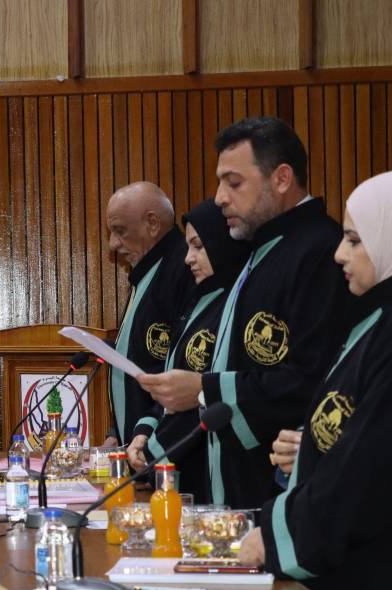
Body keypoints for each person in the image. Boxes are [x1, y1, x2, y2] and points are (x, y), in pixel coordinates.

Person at [240, 170, 392, 590]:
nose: (339, 254)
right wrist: (315, 449)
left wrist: (276, 539)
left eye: (355, 240)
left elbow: (374, 465)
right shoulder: (382, 317)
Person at [138, 117, 351, 509]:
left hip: (284, 489)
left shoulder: (321, 250)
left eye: (233, 183)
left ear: (282, 178)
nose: (219, 197)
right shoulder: (265, 249)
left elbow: (314, 379)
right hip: (240, 483)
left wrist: (203, 389)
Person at [127, 199, 250, 502]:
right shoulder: (200, 301)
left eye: (198, 246)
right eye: (188, 247)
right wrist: (144, 431)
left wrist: (153, 449)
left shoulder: (237, 305)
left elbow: (205, 395)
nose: (188, 258)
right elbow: (174, 389)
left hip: (214, 473)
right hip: (179, 465)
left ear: (222, 243)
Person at [103, 182, 195, 449]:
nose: (113, 244)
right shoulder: (148, 269)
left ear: (152, 223)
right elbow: (141, 357)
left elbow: (184, 368)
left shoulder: (183, 268)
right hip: (139, 442)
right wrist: (117, 431)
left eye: (120, 231)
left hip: (164, 446)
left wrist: (146, 430)